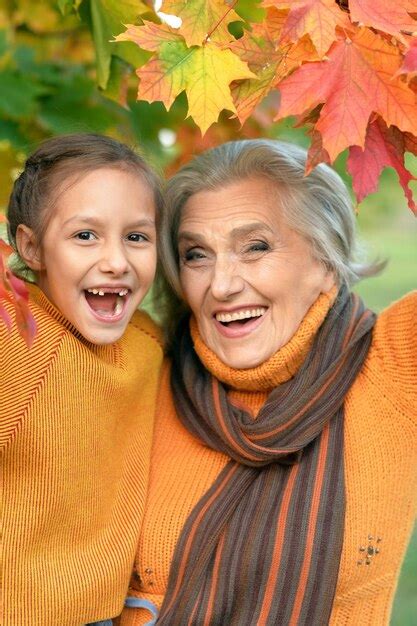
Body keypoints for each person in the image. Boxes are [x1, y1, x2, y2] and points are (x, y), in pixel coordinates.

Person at [118, 140, 417, 626]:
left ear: (325, 260)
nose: (221, 284)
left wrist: (380, 84)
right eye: (197, 255)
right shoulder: (142, 371)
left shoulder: (394, 367)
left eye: (255, 247)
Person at [0, 134, 164, 626]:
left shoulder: (149, 343)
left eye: (137, 237)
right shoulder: (16, 334)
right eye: (85, 235)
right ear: (31, 247)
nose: (116, 260)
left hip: (101, 613)